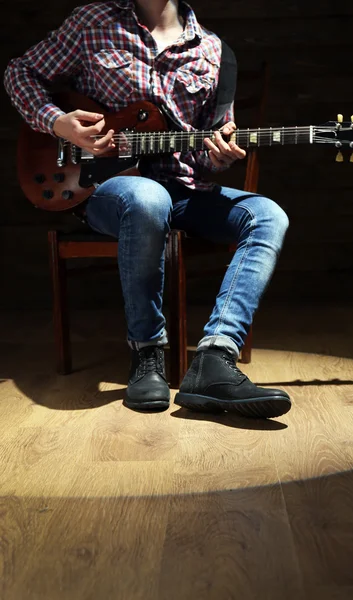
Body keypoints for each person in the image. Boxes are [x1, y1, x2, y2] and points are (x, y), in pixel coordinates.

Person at [4, 0, 292, 419]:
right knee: (146, 197)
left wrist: (221, 156)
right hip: (107, 189)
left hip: (185, 189)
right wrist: (57, 122)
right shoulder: (93, 23)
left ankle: (215, 360)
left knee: (269, 216)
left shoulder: (215, 52)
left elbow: (208, 152)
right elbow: (20, 72)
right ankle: (147, 354)